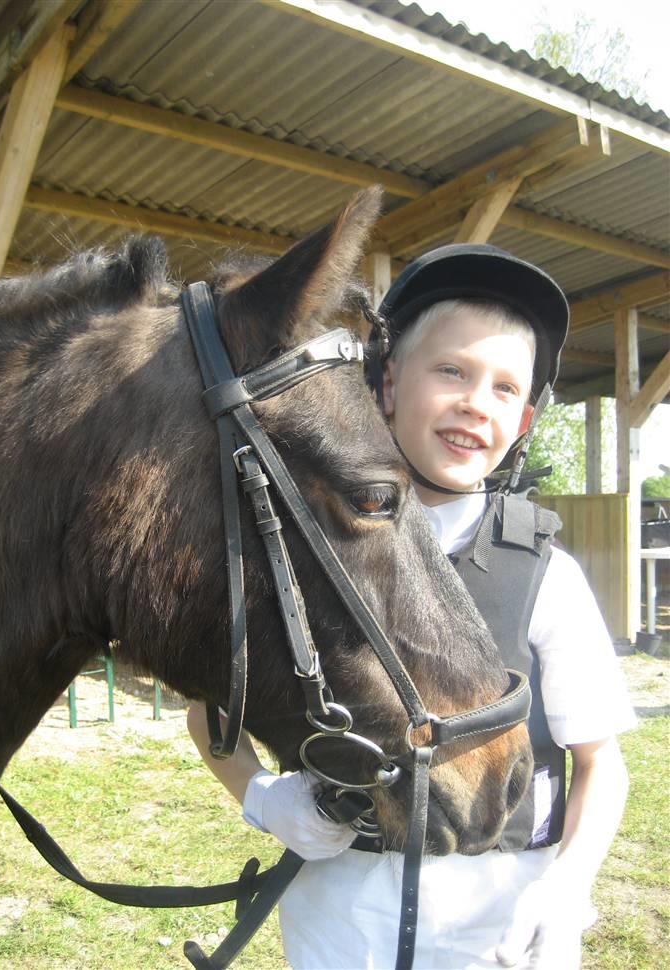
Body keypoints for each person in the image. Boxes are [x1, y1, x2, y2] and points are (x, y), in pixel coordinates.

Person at [187, 243, 636, 970]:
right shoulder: (301, 552)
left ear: (524, 421)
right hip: (339, 918)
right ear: (388, 384)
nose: (475, 402)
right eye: (451, 371)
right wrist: (263, 797)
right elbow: (209, 715)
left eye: (503, 388)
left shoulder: (547, 575)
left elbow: (599, 761)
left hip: (500, 920)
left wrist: (568, 882)